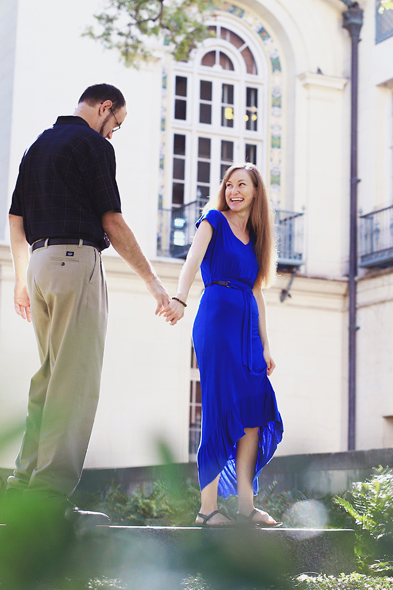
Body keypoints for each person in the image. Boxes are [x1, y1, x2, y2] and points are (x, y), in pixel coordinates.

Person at [6, 84, 169, 523]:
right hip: (76, 260)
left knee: (47, 378)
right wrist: (154, 283)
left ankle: (23, 484)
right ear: (104, 107)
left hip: (38, 267)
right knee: (73, 383)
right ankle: (48, 497)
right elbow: (111, 221)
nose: (113, 133)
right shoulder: (93, 145)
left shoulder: (36, 146)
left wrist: (22, 279)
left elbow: (15, 219)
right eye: (116, 124)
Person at [163, 163, 284, 527]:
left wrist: (265, 346)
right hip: (216, 321)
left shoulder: (258, 238)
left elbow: (258, 294)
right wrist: (180, 299)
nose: (233, 190)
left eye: (241, 185)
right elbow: (193, 261)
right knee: (218, 409)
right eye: (229, 184)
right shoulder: (212, 219)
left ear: (255, 192)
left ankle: (246, 506)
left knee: (253, 414)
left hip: (248, 330)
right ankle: (206, 509)